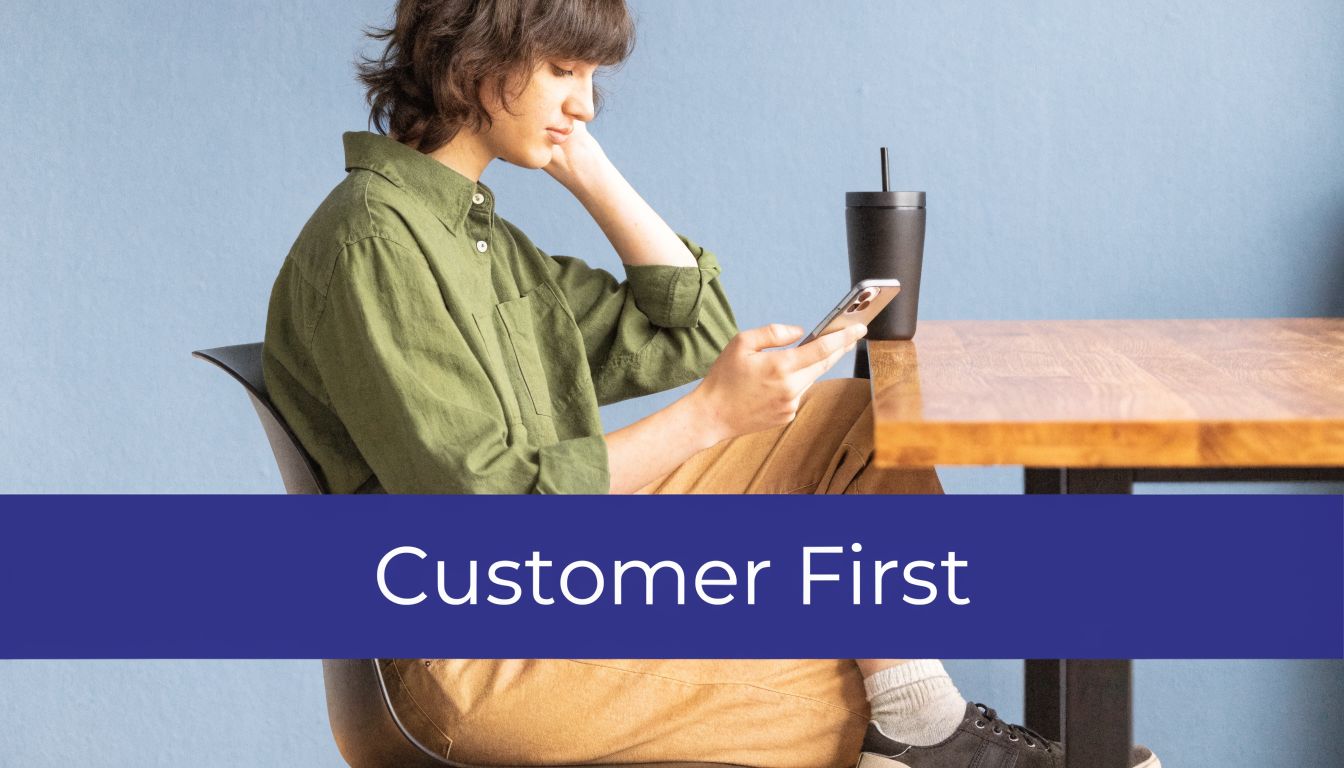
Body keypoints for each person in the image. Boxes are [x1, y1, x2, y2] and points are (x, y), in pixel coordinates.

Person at [262, 2, 1158, 767]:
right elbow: (491, 512)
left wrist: (586, 165)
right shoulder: (376, 243)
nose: (584, 102)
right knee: (851, 679)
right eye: (564, 71)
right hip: (480, 655)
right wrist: (706, 420)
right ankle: (923, 729)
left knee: (856, 417)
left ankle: (919, 726)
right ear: (477, 62)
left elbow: (686, 328)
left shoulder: (473, 235)